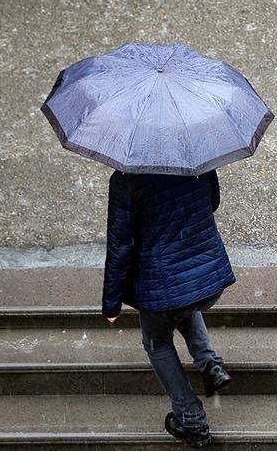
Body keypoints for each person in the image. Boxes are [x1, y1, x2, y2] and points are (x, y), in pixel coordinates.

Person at [102, 169, 234, 448]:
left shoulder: (127, 179)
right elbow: (212, 202)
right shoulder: (197, 161)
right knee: (182, 300)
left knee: (157, 342)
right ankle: (210, 365)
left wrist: (111, 303)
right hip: (207, 274)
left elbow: (120, 244)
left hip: (161, 280)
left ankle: (192, 420)